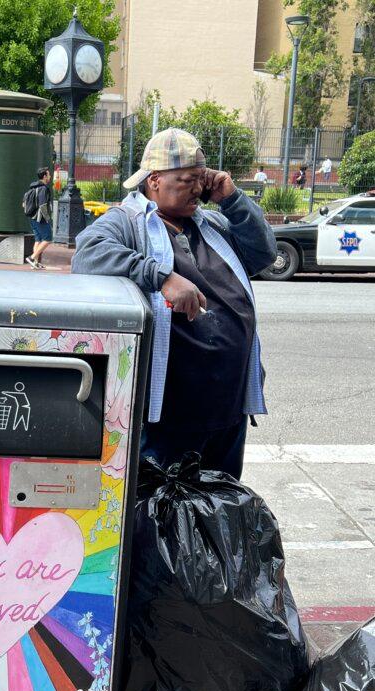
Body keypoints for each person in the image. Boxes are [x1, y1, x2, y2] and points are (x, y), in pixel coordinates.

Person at [72, 128, 277, 479]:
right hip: (170, 415)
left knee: (219, 510)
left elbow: (262, 254)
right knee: (163, 515)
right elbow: (88, 254)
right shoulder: (128, 222)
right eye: (187, 180)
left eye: (202, 179)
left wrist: (232, 199)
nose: (199, 189)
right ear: (154, 181)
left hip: (227, 407)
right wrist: (161, 278)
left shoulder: (209, 223)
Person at [24, 167, 53, 269]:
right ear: (44, 176)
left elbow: (23, 204)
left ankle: (35, 263)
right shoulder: (43, 189)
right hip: (40, 218)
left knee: (38, 240)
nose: (50, 177)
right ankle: (32, 258)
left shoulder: (33, 187)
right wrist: (48, 219)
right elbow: (42, 205)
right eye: (49, 175)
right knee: (48, 239)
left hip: (31, 217)